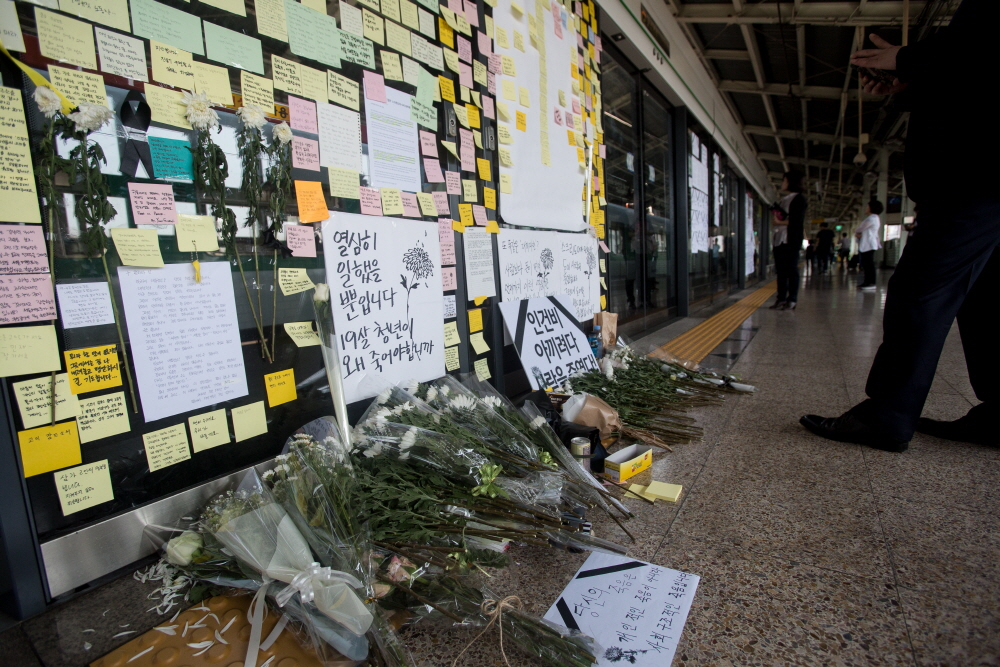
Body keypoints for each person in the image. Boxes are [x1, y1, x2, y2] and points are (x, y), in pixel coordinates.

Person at [801, 0, 1000, 451]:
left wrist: (906, 59)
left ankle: (887, 415)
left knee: (918, 293)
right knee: (985, 299)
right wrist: (909, 83)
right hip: (985, 177)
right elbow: (976, 77)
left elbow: (981, 50)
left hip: (974, 174)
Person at [769, 171, 806, 311]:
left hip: (790, 240)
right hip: (779, 240)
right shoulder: (785, 199)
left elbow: (797, 221)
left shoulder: (799, 199)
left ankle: (792, 299)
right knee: (781, 271)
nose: (782, 183)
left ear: (791, 182)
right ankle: (781, 298)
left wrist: (780, 222)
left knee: (791, 270)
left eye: (784, 180)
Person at [856, 200, 883, 290]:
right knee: (867, 265)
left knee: (869, 265)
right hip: (868, 244)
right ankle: (867, 282)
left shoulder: (872, 218)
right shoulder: (873, 218)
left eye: (867, 207)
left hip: (869, 245)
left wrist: (858, 232)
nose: (866, 209)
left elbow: (860, 229)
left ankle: (871, 283)